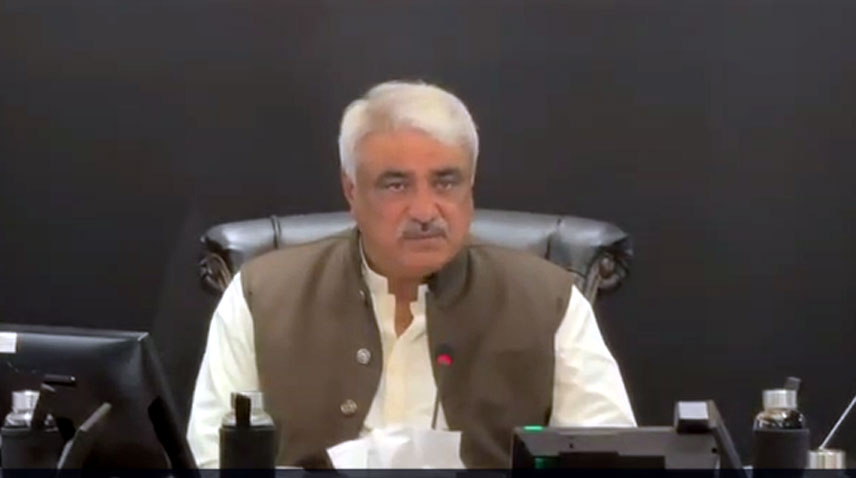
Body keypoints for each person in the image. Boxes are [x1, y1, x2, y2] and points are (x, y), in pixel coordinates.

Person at [186, 80, 635, 468]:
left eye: (445, 182)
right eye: (396, 184)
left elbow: (607, 460)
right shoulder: (261, 296)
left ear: (471, 185)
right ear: (351, 190)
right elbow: (209, 461)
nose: (424, 211)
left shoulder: (549, 301)